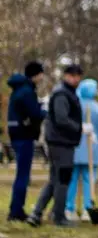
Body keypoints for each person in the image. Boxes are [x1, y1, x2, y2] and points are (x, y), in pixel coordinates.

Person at [28, 64, 84, 228]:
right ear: (66, 76)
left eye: (77, 76)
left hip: (60, 142)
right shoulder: (62, 94)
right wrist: (78, 127)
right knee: (63, 179)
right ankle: (59, 217)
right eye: (72, 75)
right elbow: (61, 118)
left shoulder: (66, 93)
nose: (75, 79)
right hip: (61, 142)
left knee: (55, 179)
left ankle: (36, 214)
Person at [6, 61, 46, 221]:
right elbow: (35, 113)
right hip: (24, 136)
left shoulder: (19, 90)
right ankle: (16, 211)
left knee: (21, 174)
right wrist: (45, 111)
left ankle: (16, 208)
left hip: (17, 134)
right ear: (36, 74)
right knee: (23, 175)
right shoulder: (27, 91)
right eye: (41, 73)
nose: (42, 77)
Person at [65, 78, 98, 221]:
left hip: (75, 148)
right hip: (92, 150)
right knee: (88, 180)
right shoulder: (96, 107)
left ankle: (69, 208)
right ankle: (87, 209)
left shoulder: (75, 105)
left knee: (72, 179)